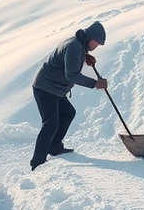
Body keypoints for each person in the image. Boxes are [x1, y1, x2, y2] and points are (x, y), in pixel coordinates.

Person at [30, 20, 107, 170]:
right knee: (50, 123)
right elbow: (71, 75)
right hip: (46, 88)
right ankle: (37, 162)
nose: (96, 47)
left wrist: (84, 55)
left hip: (56, 89)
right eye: (96, 43)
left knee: (68, 113)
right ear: (89, 37)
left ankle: (54, 146)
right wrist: (95, 83)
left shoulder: (77, 45)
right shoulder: (74, 47)